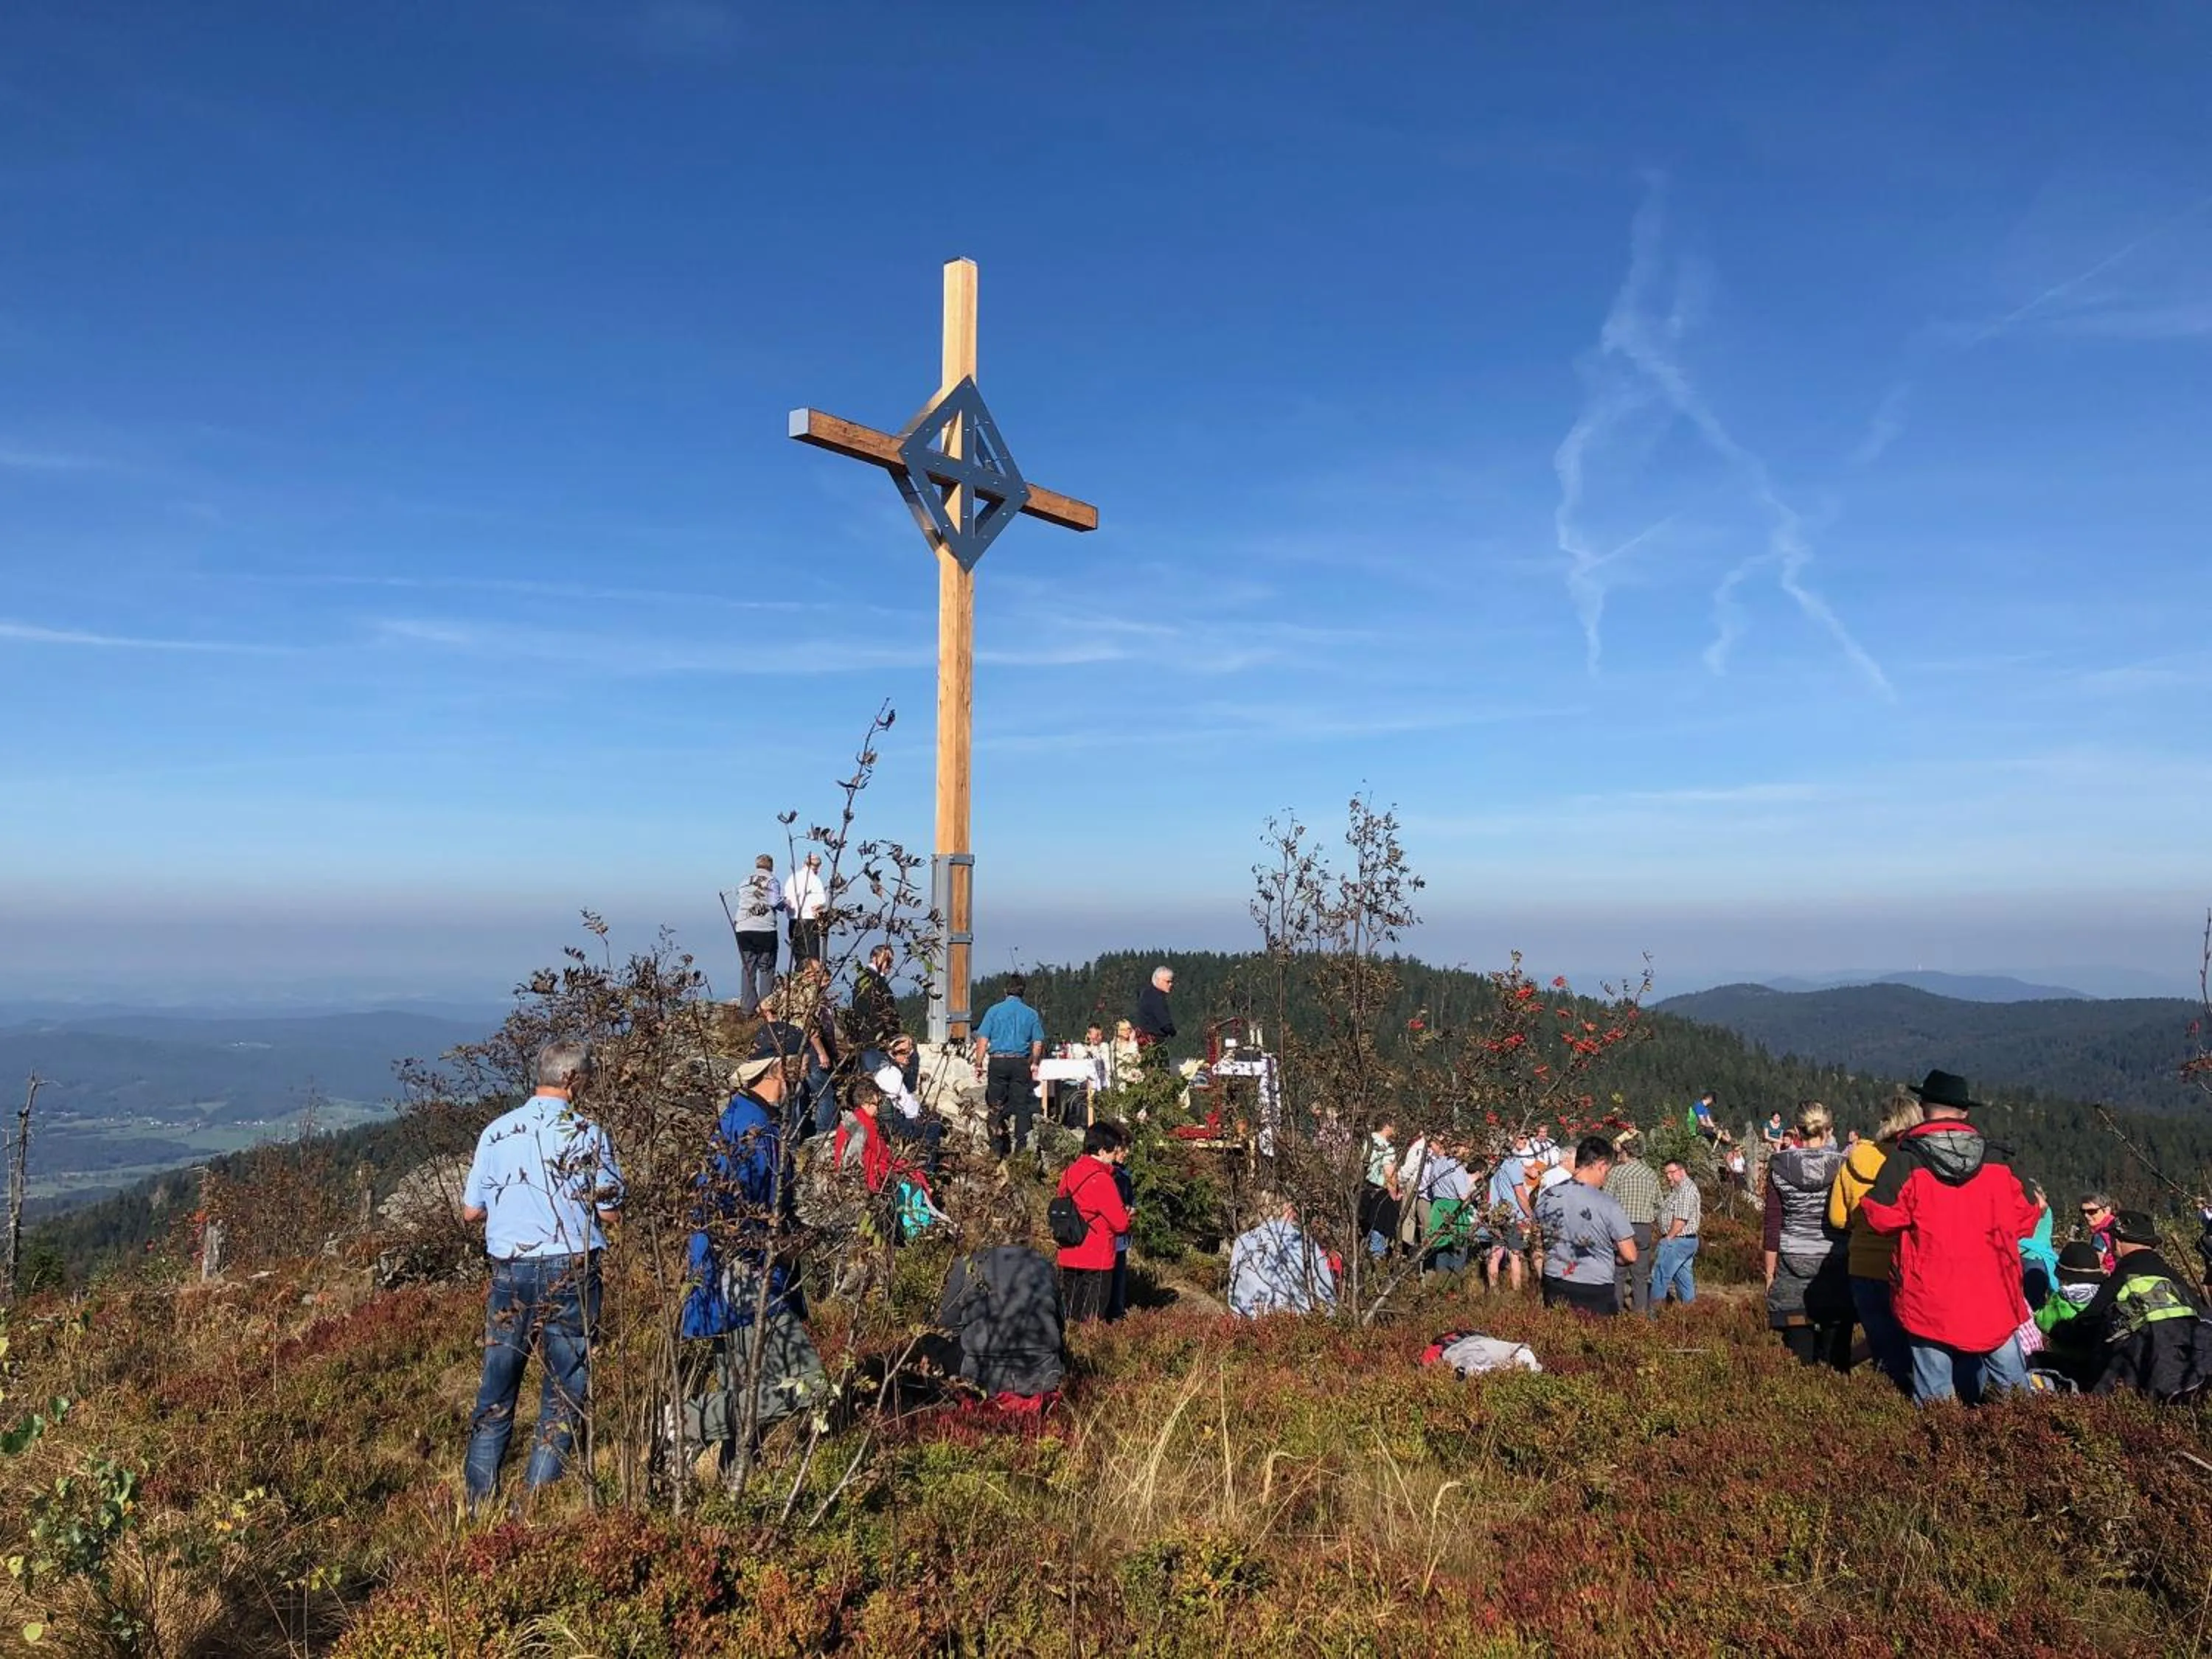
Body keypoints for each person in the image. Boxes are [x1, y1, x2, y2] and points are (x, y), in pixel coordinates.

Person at [460, 1040, 623, 1511]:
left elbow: (471, 1211)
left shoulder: (497, 1132)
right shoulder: (588, 1133)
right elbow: (610, 1210)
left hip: (511, 1271)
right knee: (563, 1388)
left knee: (496, 1388)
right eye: (586, 1079)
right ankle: (533, 1504)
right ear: (572, 1079)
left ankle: (476, 1505)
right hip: (572, 1266)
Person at [678, 1052, 827, 1466]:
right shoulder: (752, 1129)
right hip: (745, 1274)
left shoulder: (747, 1120)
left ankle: (739, 1478)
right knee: (808, 1385)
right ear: (777, 1069)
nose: (803, 1078)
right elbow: (728, 1215)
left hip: (736, 1271)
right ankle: (685, 1422)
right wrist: (780, 1243)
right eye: (797, 1068)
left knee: (743, 1387)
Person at [1860, 1070, 2040, 1405]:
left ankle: (1941, 1450)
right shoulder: (1998, 1160)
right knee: (2016, 1393)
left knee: (1935, 1396)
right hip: (1993, 1293)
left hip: (1929, 1295)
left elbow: (1880, 1218)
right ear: (1965, 1112)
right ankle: (2029, 1447)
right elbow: (2028, 1217)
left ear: (1924, 1107)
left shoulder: (1906, 1160)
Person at [1828, 1091, 1922, 1391]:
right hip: (1905, 1266)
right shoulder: (1916, 1161)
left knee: (1882, 1344)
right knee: (1914, 1350)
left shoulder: (1856, 1160)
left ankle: (1883, 1405)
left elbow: (1837, 1218)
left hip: (1863, 1264)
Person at [2078, 1211, 2212, 1401]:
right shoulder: (2173, 1278)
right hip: (2194, 1373)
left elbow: (2086, 1325)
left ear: (2118, 1241)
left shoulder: (2119, 1279)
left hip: (2138, 1376)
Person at [1763, 1103, 1852, 1369]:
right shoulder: (1844, 1167)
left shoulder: (1780, 1167)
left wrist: (1770, 1275)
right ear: (1829, 1131)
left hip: (1792, 1263)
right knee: (1836, 1363)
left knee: (1799, 1363)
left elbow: (1772, 1223)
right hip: (1835, 1263)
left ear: (1797, 1132)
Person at [936, 1242, 1066, 1407]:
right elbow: (1060, 1323)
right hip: (1042, 1378)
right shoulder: (1044, 1265)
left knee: (933, 1341)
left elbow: (946, 1322)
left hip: (981, 1379)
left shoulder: (969, 1264)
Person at [1533, 1135, 1635, 1316]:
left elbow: (1537, 1244)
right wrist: (1615, 1259)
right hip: (1594, 1287)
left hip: (1554, 1281)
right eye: (1607, 1172)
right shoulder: (1607, 1203)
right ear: (1601, 1165)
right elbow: (1630, 1254)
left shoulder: (1547, 1197)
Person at [1054, 1122, 1131, 1323]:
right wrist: (1129, 1214)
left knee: (1070, 1317)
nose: (1115, 1158)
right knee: (1091, 1321)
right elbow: (1120, 1224)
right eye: (1113, 1152)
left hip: (1068, 1253)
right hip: (1096, 1258)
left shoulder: (1069, 1173)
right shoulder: (1102, 1180)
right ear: (1102, 1151)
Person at [972, 974, 1046, 1158]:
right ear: (1023, 992)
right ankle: (1021, 1150)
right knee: (1022, 1106)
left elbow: (982, 1040)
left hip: (998, 1060)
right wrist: (1035, 1062)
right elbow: (1038, 1042)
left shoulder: (994, 1011)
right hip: (1020, 1062)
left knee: (995, 1105)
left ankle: (997, 1148)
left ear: (1005, 991)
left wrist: (978, 1063)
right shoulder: (1031, 1014)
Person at [1228, 1193, 1338, 1317]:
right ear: (1288, 1210)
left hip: (1248, 1320)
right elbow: (1325, 1290)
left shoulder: (1243, 1241)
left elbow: (1233, 1290)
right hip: (1294, 1322)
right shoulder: (1304, 1242)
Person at [2034, 1242, 2110, 1389]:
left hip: (2065, 1359)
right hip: (2096, 1359)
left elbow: (2044, 1322)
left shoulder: (2060, 1299)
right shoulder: (2102, 1295)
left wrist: (2037, 1314)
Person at [1603, 1129, 1662, 1315]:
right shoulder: (1651, 1174)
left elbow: (1606, 1200)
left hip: (1621, 1229)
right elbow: (1659, 1203)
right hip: (1643, 1229)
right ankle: (1640, 1315)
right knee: (1641, 1276)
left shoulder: (1617, 1173)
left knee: (1618, 1274)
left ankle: (1616, 1313)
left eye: (1620, 1153)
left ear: (1626, 1153)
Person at [871, 1035, 945, 1180]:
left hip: (891, 1119)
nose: (908, 1056)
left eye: (910, 1051)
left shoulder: (887, 1068)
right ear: (893, 1052)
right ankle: (927, 1172)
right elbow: (908, 1106)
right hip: (893, 1124)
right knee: (933, 1127)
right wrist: (923, 1116)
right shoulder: (891, 1073)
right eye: (904, 1052)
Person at [728, 855, 782, 1015]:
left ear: (757, 865)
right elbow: (774, 903)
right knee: (766, 967)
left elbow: (740, 898)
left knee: (748, 967)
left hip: (743, 928)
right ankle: (766, 1007)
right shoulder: (772, 881)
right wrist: (785, 903)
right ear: (771, 866)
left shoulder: (744, 881)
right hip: (765, 929)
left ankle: (747, 1008)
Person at [1650, 1157, 1702, 1312]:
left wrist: (1668, 1238)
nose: (1668, 1177)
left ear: (1681, 1171)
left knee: (1659, 1278)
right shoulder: (1678, 1190)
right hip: (1683, 1242)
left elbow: (1680, 1220)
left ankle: (1653, 1318)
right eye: (1666, 1173)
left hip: (1678, 1241)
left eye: (1671, 1173)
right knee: (1684, 1281)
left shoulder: (1686, 1190)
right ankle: (1691, 1314)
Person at [1485, 1136, 1534, 1293]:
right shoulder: (1513, 1163)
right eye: (1521, 1138)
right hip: (1512, 1213)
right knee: (1515, 1253)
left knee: (1496, 1251)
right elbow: (1520, 1193)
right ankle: (1516, 1291)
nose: (1525, 1141)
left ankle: (1493, 1289)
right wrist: (1530, 1214)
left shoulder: (1496, 1163)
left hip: (1495, 1212)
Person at [846, 943, 901, 1054]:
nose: (890, 965)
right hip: (872, 1038)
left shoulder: (877, 979)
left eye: (891, 962)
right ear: (874, 958)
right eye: (887, 961)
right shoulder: (868, 979)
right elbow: (869, 1009)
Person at [1360, 1116, 1402, 1259]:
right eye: (1393, 1126)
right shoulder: (1386, 1147)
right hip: (1377, 1190)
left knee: (1364, 1223)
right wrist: (1394, 1194)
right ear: (1387, 1127)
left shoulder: (1366, 1140)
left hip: (1362, 1187)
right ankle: (1377, 1259)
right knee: (1380, 1223)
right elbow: (1389, 1173)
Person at [1106, 1129, 1136, 1321]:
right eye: (1124, 1149)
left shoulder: (1125, 1174)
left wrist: (1132, 1209)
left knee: (1119, 1281)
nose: (1126, 1153)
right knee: (1108, 1282)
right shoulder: (1107, 1174)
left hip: (1122, 1238)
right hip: (1108, 1237)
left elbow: (1132, 1200)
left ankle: (1117, 1315)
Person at [2019, 1179, 2059, 1309]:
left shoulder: (2041, 1210)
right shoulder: (2028, 1212)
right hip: (2029, 1258)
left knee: (2033, 1302)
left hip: (2034, 1259)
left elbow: (2042, 1206)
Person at [785, 852, 829, 962]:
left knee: (800, 959)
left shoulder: (792, 878)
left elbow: (787, 901)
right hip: (809, 922)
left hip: (793, 921)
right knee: (812, 959)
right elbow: (820, 902)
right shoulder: (814, 879)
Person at [1135, 964, 1176, 1053]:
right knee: (1158, 1066)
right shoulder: (1157, 997)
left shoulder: (1146, 993)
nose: (1171, 984)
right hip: (1155, 1043)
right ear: (1159, 980)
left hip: (1144, 1041)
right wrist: (1173, 1032)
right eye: (1168, 982)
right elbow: (1165, 1023)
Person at [2079, 1192, 2118, 1273]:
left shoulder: (2101, 1235)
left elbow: (2095, 1263)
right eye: (2083, 1211)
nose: (2086, 1215)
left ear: (2107, 1210)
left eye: (2092, 1211)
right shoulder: (2117, 1226)